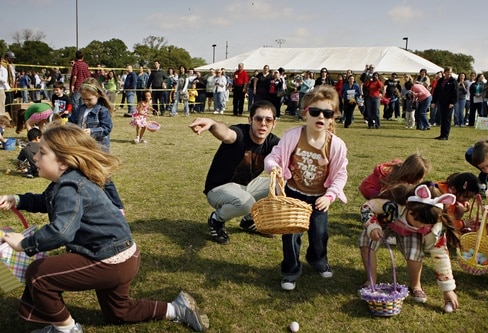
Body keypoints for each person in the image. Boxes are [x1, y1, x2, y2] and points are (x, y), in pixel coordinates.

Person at [0, 126, 209, 333]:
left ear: (63, 162)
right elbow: (46, 201)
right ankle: (177, 309)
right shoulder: (67, 181)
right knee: (119, 312)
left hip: (108, 260)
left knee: (39, 275)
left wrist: (24, 244)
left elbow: (62, 231)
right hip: (122, 255)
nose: (35, 157)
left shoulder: (70, 187)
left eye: (42, 152)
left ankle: (66, 330)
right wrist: (17, 199)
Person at [264, 85, 347, 291]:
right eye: (315, 111)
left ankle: (318, 259)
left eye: (327, 113)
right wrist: (273, 166)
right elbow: (275, 156)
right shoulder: (293, 136)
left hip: (320, 197)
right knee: (291, 235)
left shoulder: (335, 144)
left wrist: (330, 196)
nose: (321, 116)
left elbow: (340, 174)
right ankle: (290, 271)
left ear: (332, 117)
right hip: (293, 195)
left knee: (319, 234)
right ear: (305, 113)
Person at [188, 100, 280, 245]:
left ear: (274, 123)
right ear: (250, 120)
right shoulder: (240, 133)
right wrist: (212, 123)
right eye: (258, 119)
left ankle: (249, 220)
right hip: (219, 188)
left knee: (281, 184)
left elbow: (292, 151)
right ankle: (216, 220)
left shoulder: (272, 142)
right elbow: (226, 134)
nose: (263, 123)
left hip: (246, 185)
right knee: (246, 203)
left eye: (268, 120)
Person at [360, 182, 459, 308]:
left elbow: (440, 255)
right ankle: (371, 280)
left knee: (414, 254)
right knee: (366, 241)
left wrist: (448, 289)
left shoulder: (433, 227)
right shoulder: (393, 205)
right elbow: (367, 207)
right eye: (417, 220)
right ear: (408, 207)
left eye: (425, 223)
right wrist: (372, 226)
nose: (420, 225)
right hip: (384, 224)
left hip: (410, 234)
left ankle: (415, 285)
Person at [68, 78, 125, 213]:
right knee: (85, 174)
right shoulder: (81, 109)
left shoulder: (102, 110)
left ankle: (118, 206)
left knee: (103, 177)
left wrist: (92, 131)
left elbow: (107, 128)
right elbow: (72, 121)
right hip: (84, 148)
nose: (86, 102)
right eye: (84, 99)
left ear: (98, 95)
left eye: (89, 99)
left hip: (99, 149)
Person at [359, 153, 431, 200]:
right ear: (412, 175)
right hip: (369, 189)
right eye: (420, 177)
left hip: (371, 186)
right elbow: (385, 194)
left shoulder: (402, 170)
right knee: (386, 201)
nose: (421, 180)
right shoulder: (395, 179)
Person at [431, 66, 458, 140]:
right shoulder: (440, 81)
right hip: (441, 102)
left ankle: (445, 135)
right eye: (447, 72)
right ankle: (441, 134)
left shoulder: (453, 81)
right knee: (442, 118)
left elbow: (455, 92)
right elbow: (436, 91)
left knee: (447, 119)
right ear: (444, 72)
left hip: (449, 103)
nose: (449, 74)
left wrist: (453, 102)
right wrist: (434, 101)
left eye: (450, 73)